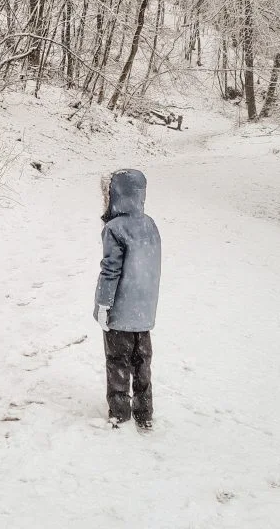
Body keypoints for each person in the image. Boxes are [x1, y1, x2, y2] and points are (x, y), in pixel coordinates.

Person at [93, 168, 161, 430]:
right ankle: (144, 413)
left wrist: (103, 305)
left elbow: (111, 270)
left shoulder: (114, 228)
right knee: (142, 362)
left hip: (120, 311)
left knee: (118, 361)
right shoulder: (150, 224)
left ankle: (120, 413)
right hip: (144, 312)